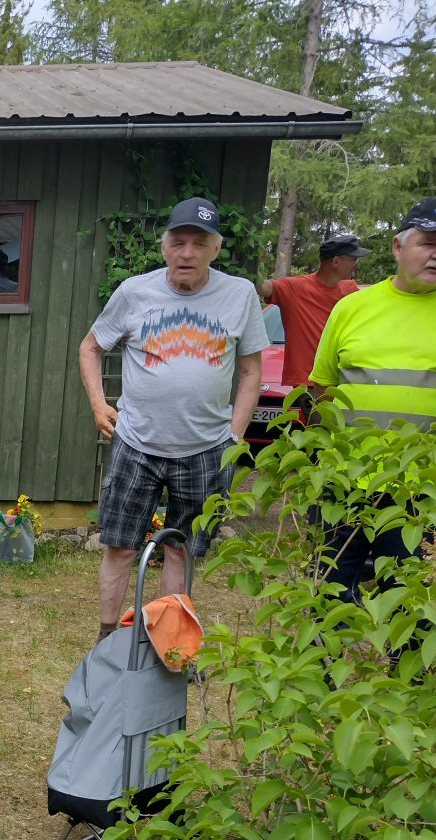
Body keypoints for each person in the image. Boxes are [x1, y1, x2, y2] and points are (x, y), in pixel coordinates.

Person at [78, 197, 267, 643]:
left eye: (198, 244)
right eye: (178, 242)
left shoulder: (239, 295)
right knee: (121, 545)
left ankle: (168, 646)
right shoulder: (134, 292)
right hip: (137, 443)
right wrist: (98, 404)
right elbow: (90, 348)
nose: (187, 253)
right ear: (164, 247)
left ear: (215, 249)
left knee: (182, 549)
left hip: (206, 449)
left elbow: (251, 370)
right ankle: (107, 641)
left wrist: (234, 435)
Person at [310, 197, 436, 600]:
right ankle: (324, 664)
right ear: (398, 246)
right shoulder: (352, 307)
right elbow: (322, 386)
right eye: (429, 243)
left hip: (424, 490)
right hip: (346, 480)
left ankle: (399, 664)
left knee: (410, 605)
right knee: (327, 595)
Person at [257, 234, 370, 387]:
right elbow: (262, 287)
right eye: (354, 259)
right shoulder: (294, 288)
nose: (357, 265)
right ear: (336, 261)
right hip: (307, 384)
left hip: (341, 381)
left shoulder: (350, 290)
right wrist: (253, 258)